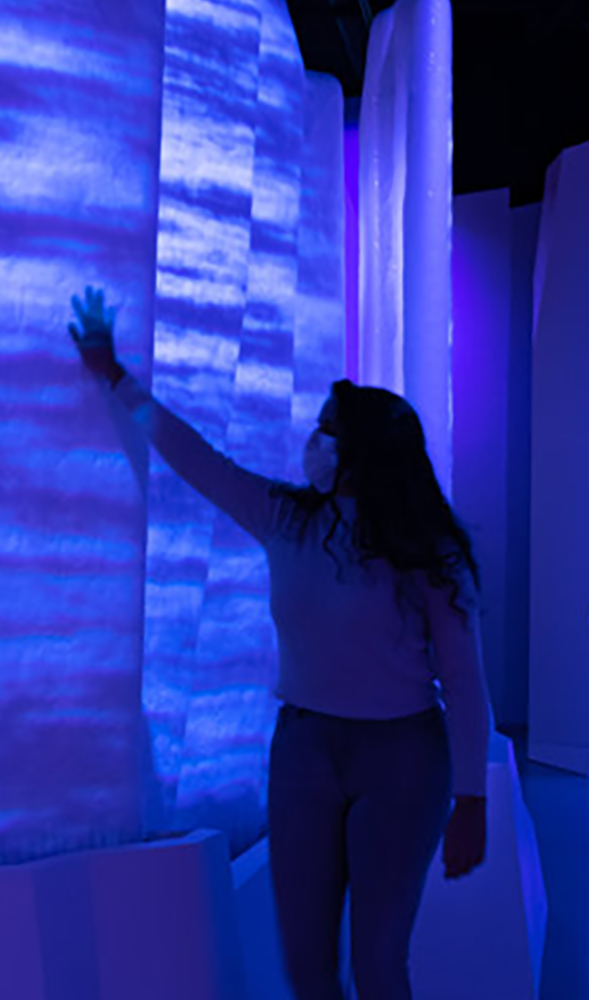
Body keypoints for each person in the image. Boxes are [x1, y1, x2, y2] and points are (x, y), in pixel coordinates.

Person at [68, 287, 492, 1000]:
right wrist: (115, 377)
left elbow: (466, 681)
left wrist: (471, 799)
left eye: (328, 430)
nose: (315, 442)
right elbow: (196, 459)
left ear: (364, 452)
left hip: (404, 756)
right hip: (304, 750)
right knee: (307, 968)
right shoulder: (287, 519)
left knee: (379, 963)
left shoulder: (430, 552)